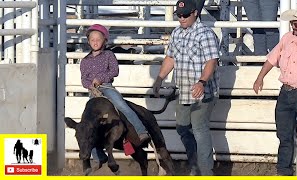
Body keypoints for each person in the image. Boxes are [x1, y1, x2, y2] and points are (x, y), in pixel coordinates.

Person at [153, 0, 219, 175]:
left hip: (202, 92)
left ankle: (205, 172)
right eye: (179, 15)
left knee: (199, 129)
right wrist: (160, 78)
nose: (181, 18)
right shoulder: (176, 33)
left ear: (195, 13)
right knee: (183, 128)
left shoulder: (205, 34)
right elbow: (171, 58)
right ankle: (195, 165)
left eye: (185, 15)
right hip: (183, 90)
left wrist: (202, 82)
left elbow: (211, 61)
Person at [253, 4, 297, 176]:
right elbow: (272, 58)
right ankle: (283, 172)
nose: (293, 26)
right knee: (284, 136)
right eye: (293, 23)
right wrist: (260, 77)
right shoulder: (287, 39)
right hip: (286, 92)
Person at [80, 24, 150, 165]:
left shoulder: (109, 55)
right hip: (93, 93)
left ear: (104, 40)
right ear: (88, 41)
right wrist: (90, 86)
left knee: (121, 105)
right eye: (92, 39)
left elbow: (114, 71)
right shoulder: (85, 61)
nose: (95, 42)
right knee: (88, 124)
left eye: (98, 39)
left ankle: (141, 130)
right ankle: (97, 154)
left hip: (107, 87)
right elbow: (84, 79)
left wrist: (100, 79)